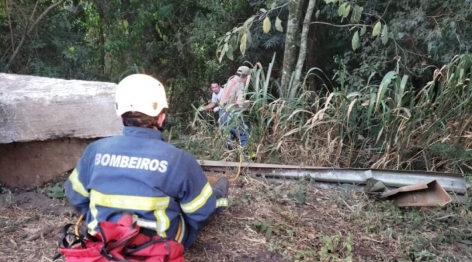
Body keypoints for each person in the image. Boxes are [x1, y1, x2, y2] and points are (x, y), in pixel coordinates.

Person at [64, 74, 229, 252]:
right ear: (161, 117)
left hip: (105, 241)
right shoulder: (179, 159)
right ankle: (220, 193)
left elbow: (76, 196)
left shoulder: (95, 150)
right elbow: (200, 213)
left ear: (120, 116)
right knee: (209, 200)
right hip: (157, 247)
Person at [218, 66, 252, 149]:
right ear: (246, 76)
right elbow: (240, 103)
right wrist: (249, 104)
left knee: (229, 136)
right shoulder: (240, 85)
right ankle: (248, 157)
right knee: (245, 132)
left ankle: (229, 156)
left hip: (222, 113)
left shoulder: (230, 81)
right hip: (231, 114)